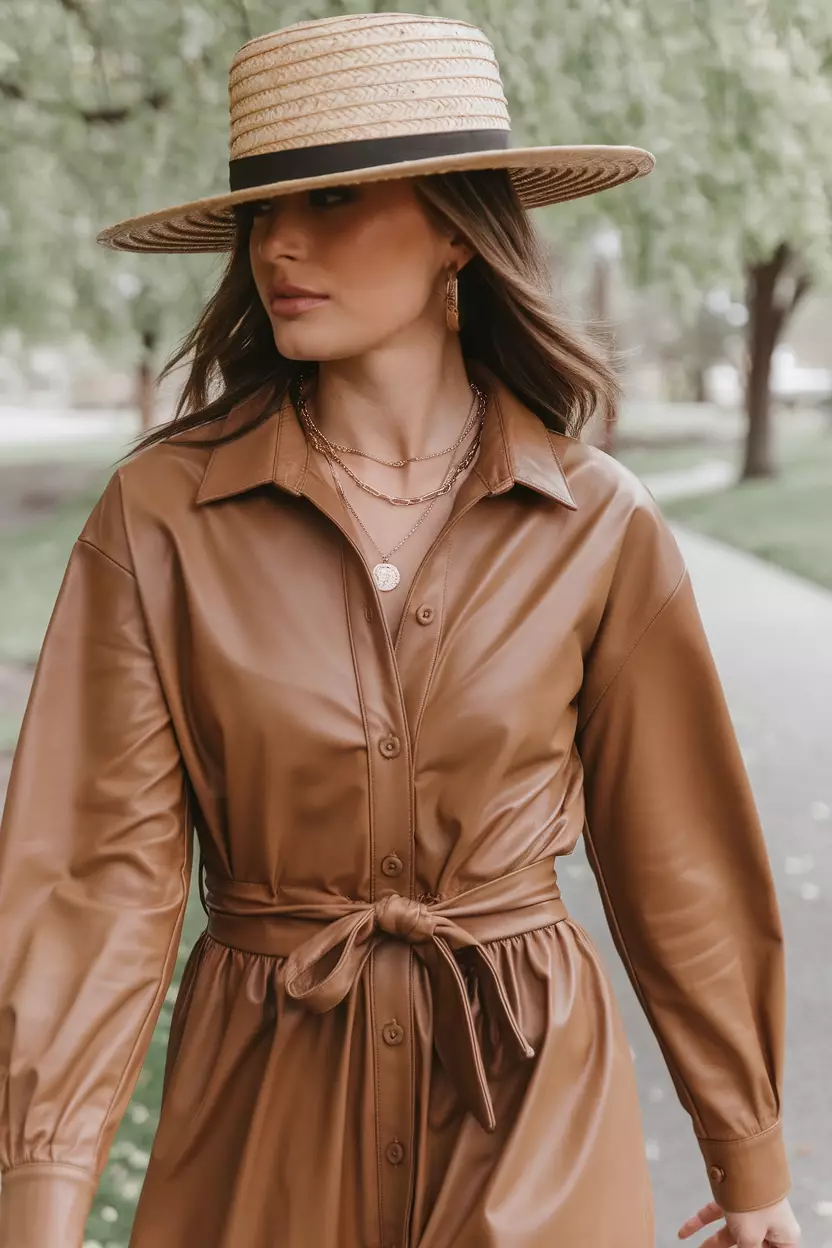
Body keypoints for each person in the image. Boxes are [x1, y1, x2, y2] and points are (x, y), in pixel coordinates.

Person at [0, 11, 801, 1248]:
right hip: (260, 1113)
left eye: (330, 202)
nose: (282, 245)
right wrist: (41, 1197)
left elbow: (677, 860)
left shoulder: (595, 523)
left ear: (454, 233)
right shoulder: (161, 517)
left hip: (528, 1105)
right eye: (263, 212)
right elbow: (96, 880)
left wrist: (748, 1164)